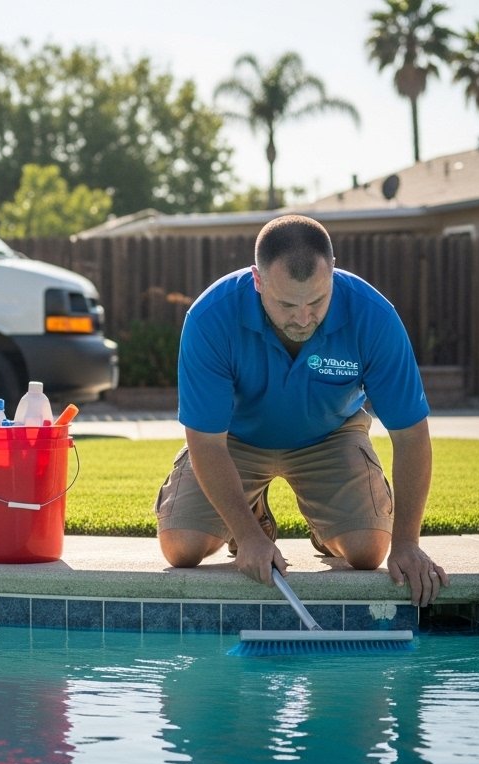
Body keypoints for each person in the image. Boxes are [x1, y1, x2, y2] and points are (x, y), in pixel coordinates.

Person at [153, 214, 448, 606]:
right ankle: (252, 511)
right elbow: (206, 442)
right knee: (181, 548)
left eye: (317, 301)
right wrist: (248, 536)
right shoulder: (210, 317)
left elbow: (411, 435)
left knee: (367, 551)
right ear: (258, 281)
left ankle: (324, 529)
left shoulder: (374, 316)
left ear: (333, 273)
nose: (304, 317)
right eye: (287, 304)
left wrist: (408, 543)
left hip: (330, 437)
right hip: (235, 442)